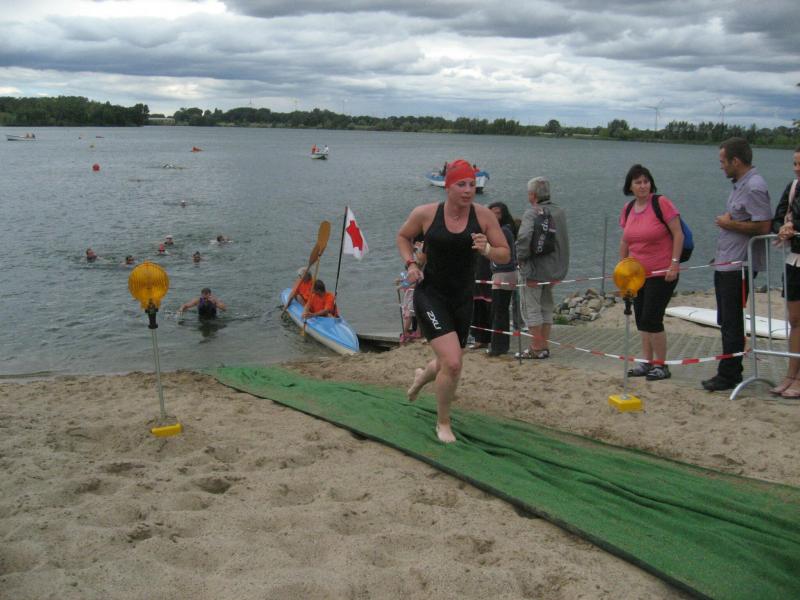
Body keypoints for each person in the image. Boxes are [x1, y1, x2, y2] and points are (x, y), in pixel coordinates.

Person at [397, 159, 510, 443]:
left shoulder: (484, 216)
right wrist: (411, 264)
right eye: (461, 184)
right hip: (430, 294)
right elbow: (403, 237)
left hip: (462, 299)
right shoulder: (425, 214)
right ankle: (443, 423)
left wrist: (487, 250)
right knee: (454, 362)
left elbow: (505, 253)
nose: (468, 189)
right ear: (447, 186)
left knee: (448, 361)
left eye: (471, 184)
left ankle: (421, 377)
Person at [702, 137, 772, 392]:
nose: (721, 166)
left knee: (732, 320)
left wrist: (728, 223)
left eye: (723, 161)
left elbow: (763, 226)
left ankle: (729, 374)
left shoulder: (754, 186)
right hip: (726, 262)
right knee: (725, 319)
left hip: (740, 266)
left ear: (736, 161)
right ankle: (729, 370)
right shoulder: (740, 185)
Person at [618, 165, 683, 380]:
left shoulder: (661, 203)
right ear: (630, 186)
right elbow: (625, 241)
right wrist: (622, 270)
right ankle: (646, 362)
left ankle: (661, 365)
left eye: (646, 181)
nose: (642, 186)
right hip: (637, 275)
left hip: (662, 273)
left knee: (652, 318)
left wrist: (674, 264)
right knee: (641, 319)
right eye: (638, 182)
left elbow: (678, 234)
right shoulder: (628, 208)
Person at [515, 177, 569, 359]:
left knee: (531, 308)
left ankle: (536, 347)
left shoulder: (532, 213)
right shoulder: (559, 212)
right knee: (546, 306)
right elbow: (563, 241)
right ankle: (544, 346)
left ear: (532, 195)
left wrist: (520, 258)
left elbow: (524, 238)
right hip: (554, 269)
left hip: (534, 269)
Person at [769, 146, 800, 397]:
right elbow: (777, 218)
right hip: (794, 260)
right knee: (794, 320)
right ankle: (791, 374)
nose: (797, 168)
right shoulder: (793, 187)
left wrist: (794, 226)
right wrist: (782, 228)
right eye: (795, 163)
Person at [487, 202, 518, 356]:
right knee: (501, 311)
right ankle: (501, 345)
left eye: (497, 213)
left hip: (503, 273)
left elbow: (503, 254)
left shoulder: (503, 231)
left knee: (499, 311)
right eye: (491, 213)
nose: (494, 216)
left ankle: (497, 347)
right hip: (503, 272)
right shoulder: (502, 230)